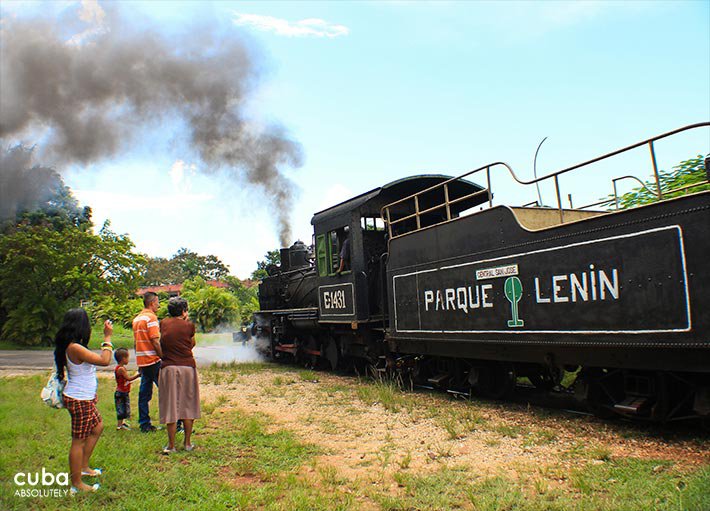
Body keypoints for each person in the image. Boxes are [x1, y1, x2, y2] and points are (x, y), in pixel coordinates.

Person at [53, 309, 113, 494]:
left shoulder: (72, 346)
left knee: (97, 427)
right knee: (78, 441)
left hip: (84, 398)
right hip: (80, 399)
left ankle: (84, 467)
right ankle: (76, 483)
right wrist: (107, 338)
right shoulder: (74, 347)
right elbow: (105, 360)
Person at [158, 297, 201, 454]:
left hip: (168, 367)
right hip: (187, 367)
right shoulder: (189, 325)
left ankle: (171, 445)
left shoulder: (163, 323)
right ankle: (187, 443)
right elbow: (192, 344)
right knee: (188, 404)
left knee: (171, 405)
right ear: (184, 311)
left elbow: (161, 341)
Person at [132, 292, 163, 433]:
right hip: (153, 360)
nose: (159, 305)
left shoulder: (137, 319)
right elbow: (155, 341)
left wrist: (139, 362)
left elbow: (136, 343)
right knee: (166, 391)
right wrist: (163, 357)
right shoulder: (151, 318)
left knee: (144, 394)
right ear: (152, 303)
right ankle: (174, 422)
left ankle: (144, 423)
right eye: (157, 302)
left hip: (143, 361)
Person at [114, 348, 140, 430]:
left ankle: (123, 423)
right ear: (123, 359)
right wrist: (138, 375)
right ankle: (119, 425)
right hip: (121, 392)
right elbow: (128, 378)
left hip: (124, 391)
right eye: (127, 357)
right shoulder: (121, 369)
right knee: (121, 408)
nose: (128, 359)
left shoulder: (120, 368)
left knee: (125, 407)